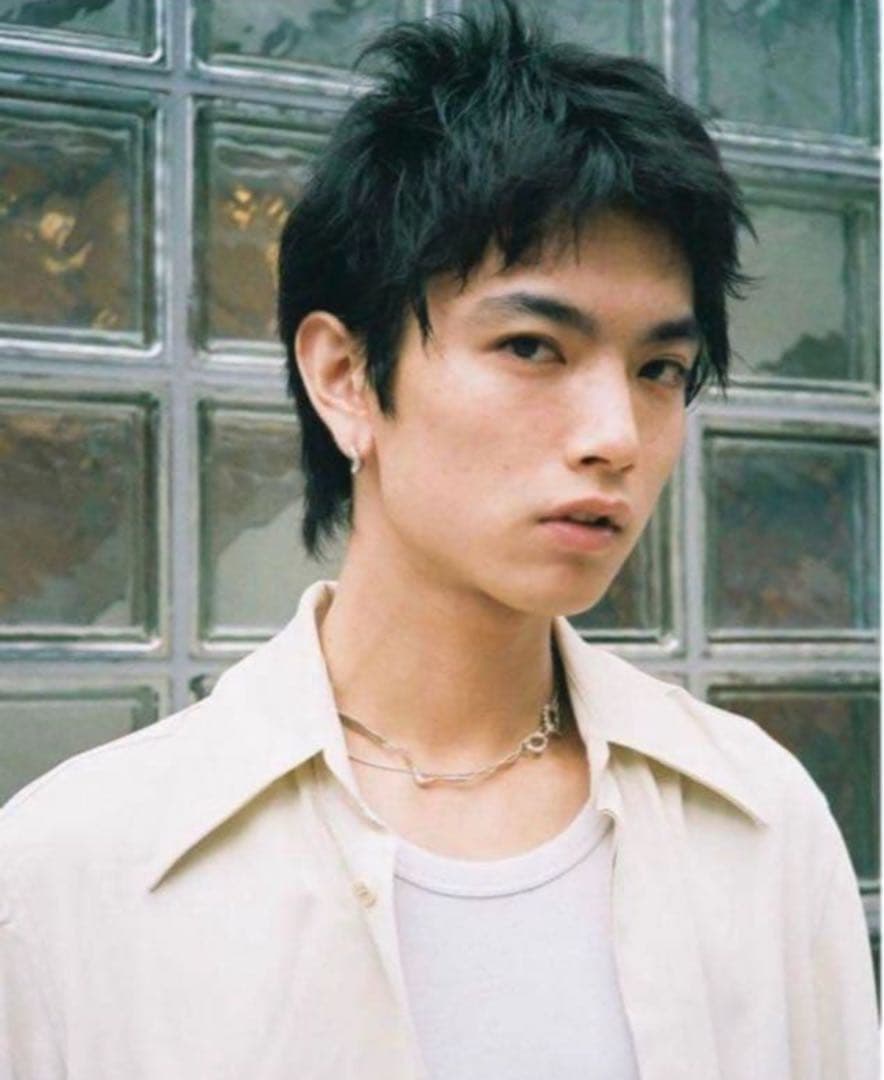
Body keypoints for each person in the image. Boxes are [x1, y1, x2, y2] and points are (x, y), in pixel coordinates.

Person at [0, 3, 878, 1077]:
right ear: (343, 377)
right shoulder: (77, 870)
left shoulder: (758, 819)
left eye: (659, 369)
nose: (615, 435)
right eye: (532, 346)